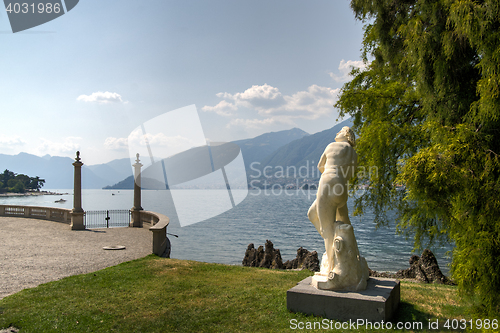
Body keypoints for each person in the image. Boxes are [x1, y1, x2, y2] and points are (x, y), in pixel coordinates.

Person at [307, 126, 357, 274]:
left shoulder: (331, 145)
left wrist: (329, 176)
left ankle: (331, 267)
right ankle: (351, 250)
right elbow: (351, 174)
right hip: (342, 187)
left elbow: (320, 166)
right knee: (340, 220)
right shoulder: (353, 153)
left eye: (340, 131)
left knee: (326, 228)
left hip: (328, 181)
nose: (337, 133)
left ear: (346, 135)